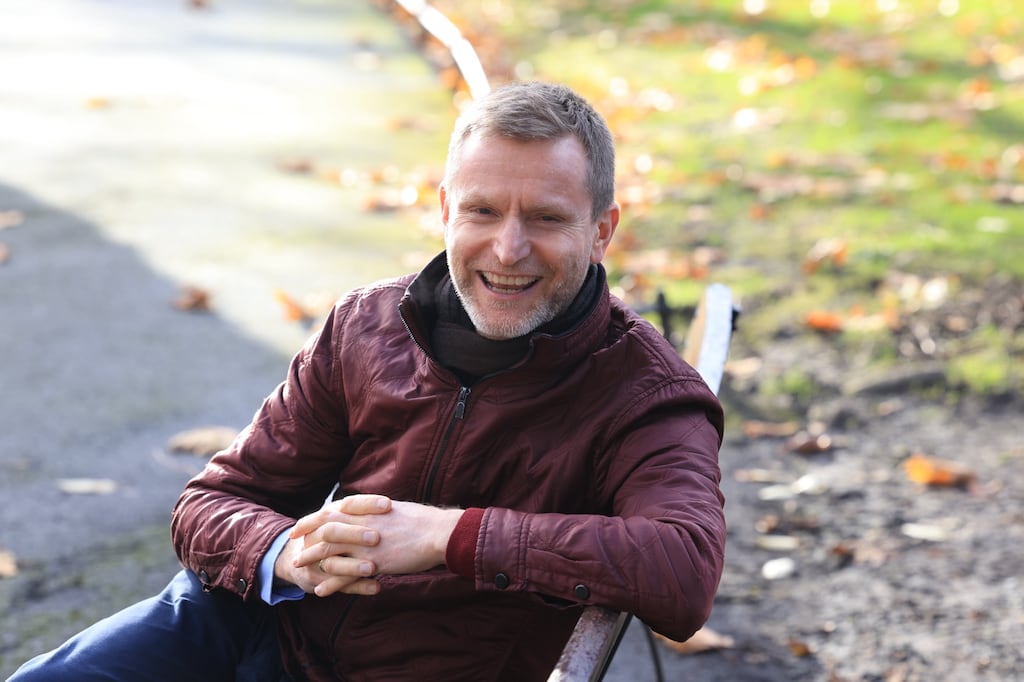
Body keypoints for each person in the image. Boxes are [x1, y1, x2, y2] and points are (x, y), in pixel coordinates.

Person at [11, 80, 725, 682]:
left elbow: (684, 569)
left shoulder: (645, 396)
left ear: (602, 231)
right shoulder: (367, 324)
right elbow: (214, 501)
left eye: (545, 218)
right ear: (445, 210)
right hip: (251, 620)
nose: (508, 248)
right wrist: (284, 552)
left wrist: (450, 536)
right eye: (482, 210)